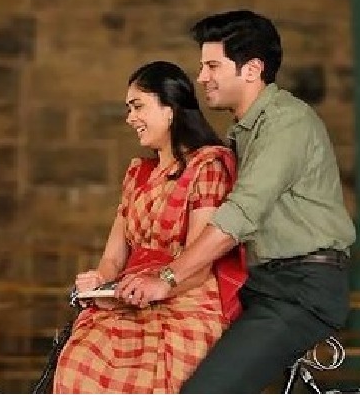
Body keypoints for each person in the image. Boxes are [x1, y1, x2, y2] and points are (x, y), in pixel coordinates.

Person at [116, 10, 356, 393]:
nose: (201, 77)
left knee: (205, 391)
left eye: (213, 66)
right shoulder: (240, 133)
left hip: (299, 289)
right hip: (258, 283)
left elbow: (239, 216)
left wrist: (167, 277)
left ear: (252, 69)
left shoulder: (286, 122)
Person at [52, 61, 244, 393]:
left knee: (151, 374)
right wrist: (99, 280)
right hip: (129, 295)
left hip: (185, 297)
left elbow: (200, 266)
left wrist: (156, 285)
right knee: (78, 362)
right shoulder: (137, 175)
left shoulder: (206, 167)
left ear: (170, 110)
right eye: (129, 109)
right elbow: (113, 258)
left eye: (138, 106)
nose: (130, 118)